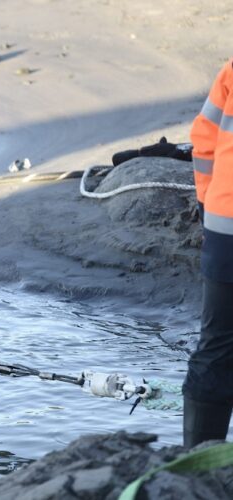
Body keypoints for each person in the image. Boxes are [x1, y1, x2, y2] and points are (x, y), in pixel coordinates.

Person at [182, 58, 233, 448]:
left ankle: (197, 462)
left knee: (216, 344)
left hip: (224, 220)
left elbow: (204, 138)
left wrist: (207, 203)